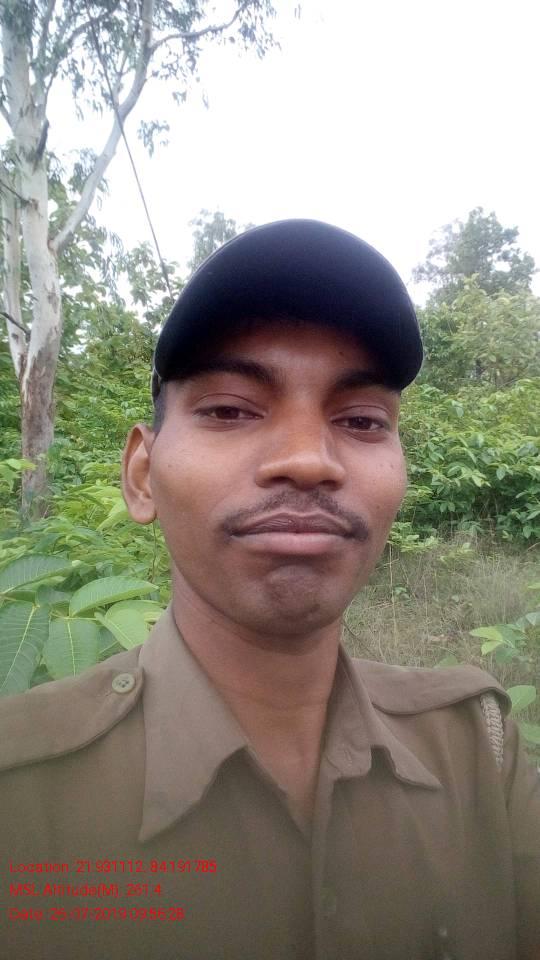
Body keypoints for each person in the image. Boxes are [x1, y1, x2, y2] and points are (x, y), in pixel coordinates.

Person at [1, 219, 538, 960]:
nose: (308, 460)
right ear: (142, 475)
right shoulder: (20, 793)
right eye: (229, 409)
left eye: (361, 420)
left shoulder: (478, 745)